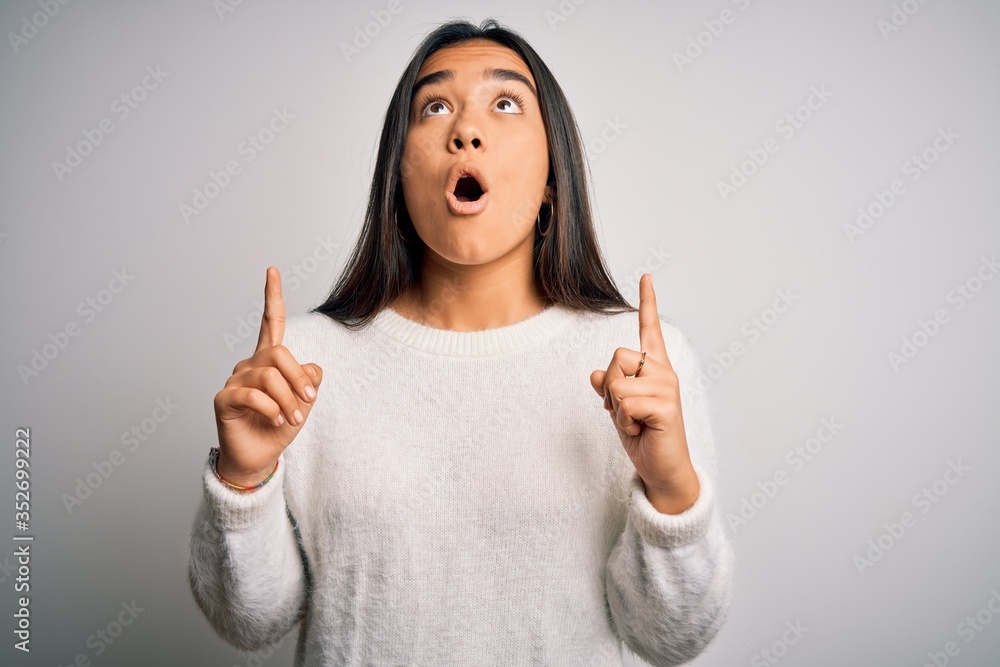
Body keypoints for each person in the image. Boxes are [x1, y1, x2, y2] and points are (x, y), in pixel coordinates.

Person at [186, 18, 734, 666]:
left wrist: (671, 486)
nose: (465, 129)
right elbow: (250, 623)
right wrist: (242, 479)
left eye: (505, 103)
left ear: (554, 179)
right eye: (435, 105)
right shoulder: (299, 370)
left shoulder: (642, 367)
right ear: (399, 176)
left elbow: (672, 635)